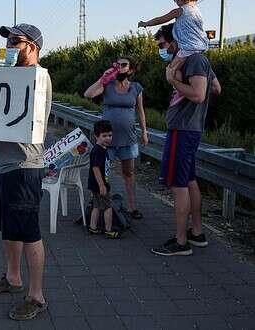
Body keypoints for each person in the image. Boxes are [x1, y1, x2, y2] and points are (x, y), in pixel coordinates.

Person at [0, 24, 52, 321]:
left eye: (15, 42)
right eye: (8, 41)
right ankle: (12, 278)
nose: (9, 46)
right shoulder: (7, 75)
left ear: (32, 47)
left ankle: (36, 296)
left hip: (23, 166)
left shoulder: (39, 77)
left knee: (28, 231)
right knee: (8, 229)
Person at [151, 23, 221, 257]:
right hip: (188, 129)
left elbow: (200, 95)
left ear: (176, 40)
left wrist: (174, 81)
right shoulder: (198, 60)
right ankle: (197, 233)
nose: (162, 49)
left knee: (178, 185)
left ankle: (181, 242)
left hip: (183, 130)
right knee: (189, 180)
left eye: (162, 44)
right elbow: (215, 88)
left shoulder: (195, 61)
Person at [84, 56, 148, 219]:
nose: (119, 67)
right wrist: (103, 78)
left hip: (128, 138)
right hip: (107, 139)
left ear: (131, 69)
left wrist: (144, 132)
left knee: (129, 172)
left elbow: (140, 111)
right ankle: (98, 203)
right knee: (101, 171)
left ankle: (132, 207)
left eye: (124, 64)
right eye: (117, 64)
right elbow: (88, 94)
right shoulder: (107, 85)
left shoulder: (136, 87)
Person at [138, 0, 208, 106]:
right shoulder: (197, 11)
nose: (175, 1)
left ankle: (179, 92)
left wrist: (145, 23)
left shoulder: (180, 11)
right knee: (179, 68)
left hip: (188, 48)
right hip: (200, 45)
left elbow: (162, 19)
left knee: (171, 70)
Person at [87, 120, 121, 239]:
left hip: (96, 183)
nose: (108, 138)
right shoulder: (98, 151)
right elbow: (95, 168)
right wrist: (102, 185)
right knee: (108, 206)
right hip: (99, 184)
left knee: (96, 205)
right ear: (96, 136)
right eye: (104, 136)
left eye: (110, 135)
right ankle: (108, 229)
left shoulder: (102, 148)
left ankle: (93, 227)